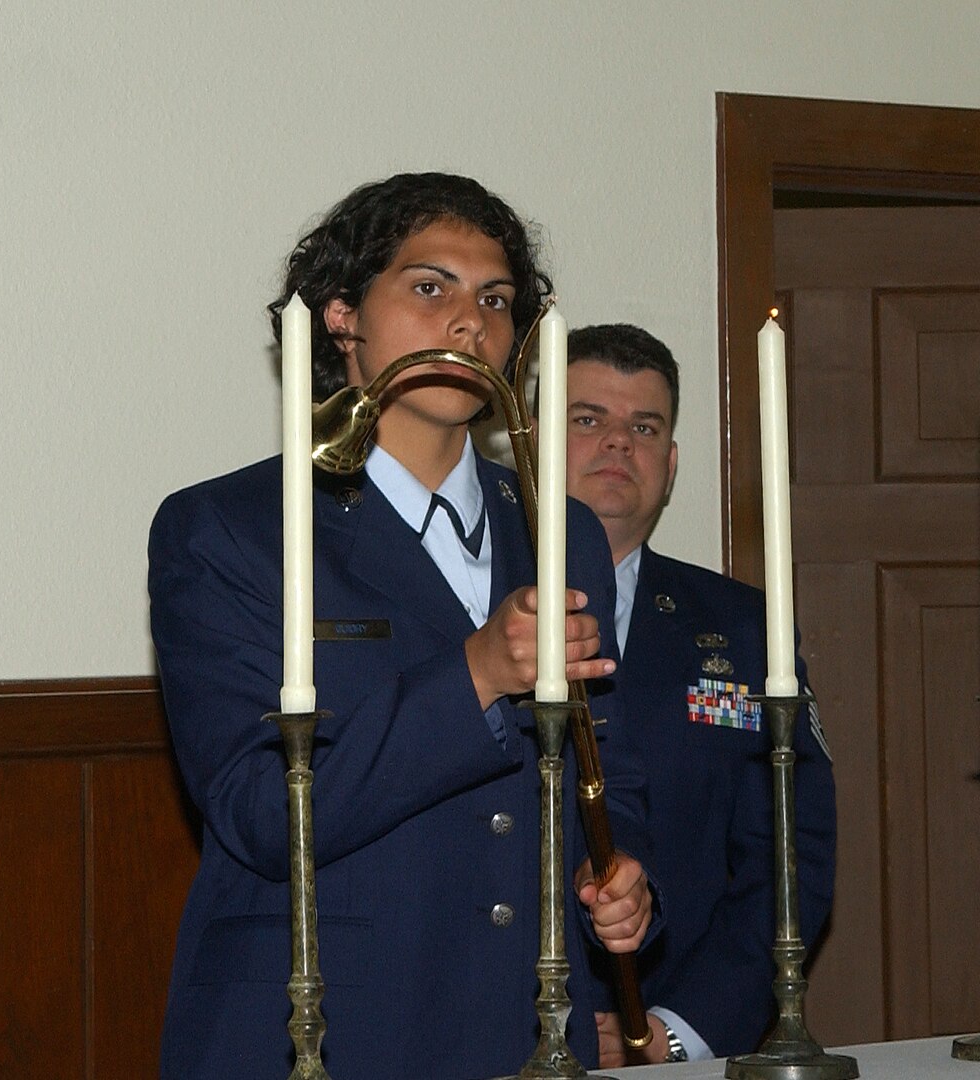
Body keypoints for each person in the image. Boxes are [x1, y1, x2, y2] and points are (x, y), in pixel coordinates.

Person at [148, 174, 655, 1080]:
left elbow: (607, 754)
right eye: (431, 288)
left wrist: (625, 879)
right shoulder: (227, 527)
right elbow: (260, 814)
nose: (470, 323)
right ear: (342, 317)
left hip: (528, 1022)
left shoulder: (559, 526)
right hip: (327, 1023)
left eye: (496, 300)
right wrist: (474, 674)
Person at [564, 323, 836, 1065]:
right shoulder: (468, 614)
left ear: (672, 462)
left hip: (678, 1037)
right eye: (588, 419)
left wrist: (677, 1032)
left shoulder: (742, 627)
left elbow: (790, 856)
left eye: (643, 427)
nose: (618, 443)